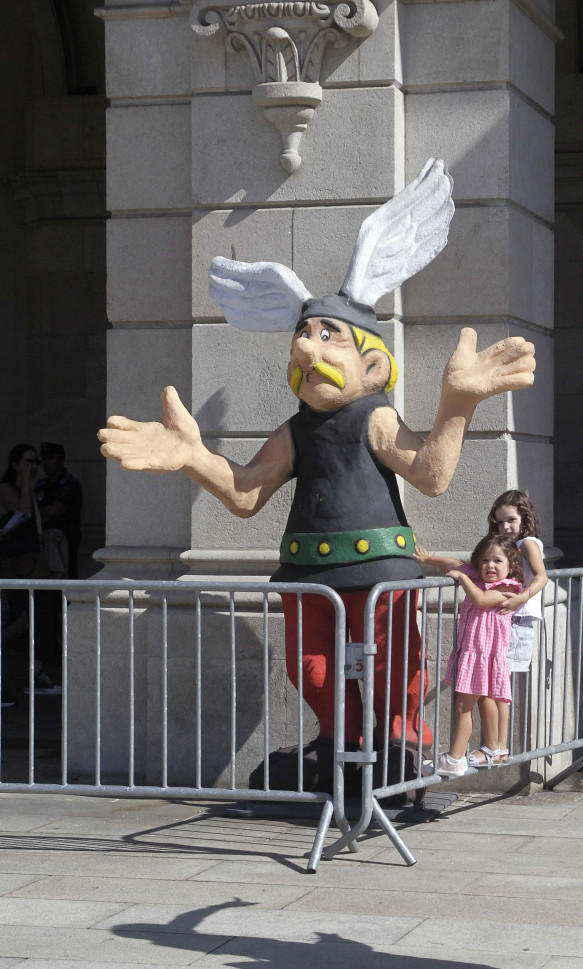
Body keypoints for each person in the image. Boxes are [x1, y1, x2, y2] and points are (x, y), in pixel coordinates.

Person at [98, 159, 536, 790]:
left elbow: (431, 475)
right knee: (314, 670)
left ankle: (395, 745)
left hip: (380, 566)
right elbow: (248, 494)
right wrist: (194, 457)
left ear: (373, 365)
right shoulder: (298, 430)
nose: (309, 347)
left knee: (391, 664)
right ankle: (339, 745)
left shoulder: (375, 418)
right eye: (304, 335)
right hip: (308, 567)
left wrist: (457, 405)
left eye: (329, 336)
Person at [416, 533, 523, 775]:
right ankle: (492, 749)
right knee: (482, 700)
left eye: (497, 561)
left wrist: (463, 579)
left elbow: (481, 599)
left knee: (463, 707)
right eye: (484, 561)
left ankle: (454, 759)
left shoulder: (507, 587)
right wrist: (428, 559)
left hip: (482, 656)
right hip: (474, 653)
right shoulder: (477, 576)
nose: (490, 566)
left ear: (511, 565)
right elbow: (452, 564)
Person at [488, 489, 548, 757]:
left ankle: (499, 748)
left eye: (511, 520)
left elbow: (542, 576)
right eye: (500, 522)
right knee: (497, 685)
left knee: (499, 687)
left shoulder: (527, 544)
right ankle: (498, 747)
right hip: (510, 618)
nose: (506, 527)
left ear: (524, 518)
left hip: (518, 619)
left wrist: (519, 599)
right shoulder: (512, 546)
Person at [0, 444, 61, 697]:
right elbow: (22, 512)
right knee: (23, 616)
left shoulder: (32, 489)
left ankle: (34, 673)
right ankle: (22, 674)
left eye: (35, 462)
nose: (33, 467)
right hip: (16, 560)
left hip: (32, 558)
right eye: (28, 461)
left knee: (40, 613)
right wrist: (24, 482)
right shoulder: (7, 488)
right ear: (15, 464)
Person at [34, 443, 82, 577]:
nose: (46, 463)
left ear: (61, 459)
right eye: (43, 459)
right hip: (43, 537)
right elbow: (32, 512)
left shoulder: (69, 483)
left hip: (65, 536)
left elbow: (54, 512)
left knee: (65, 578)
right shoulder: (41, 484)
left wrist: (40, 512)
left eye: (50, 458)